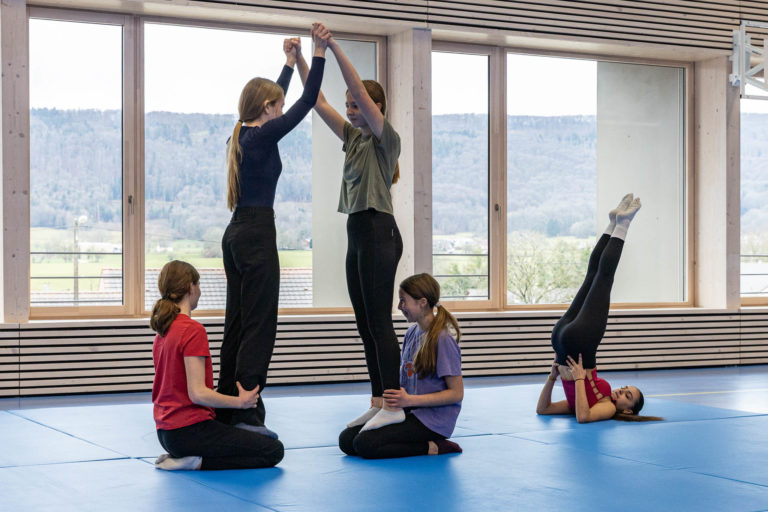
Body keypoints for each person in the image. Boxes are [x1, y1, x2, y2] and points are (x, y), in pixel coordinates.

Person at [217, 26, 329, 436]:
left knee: (238, 322)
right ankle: (247, 409)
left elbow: (279, 98)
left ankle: (227, 404)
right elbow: (308, 101)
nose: (281, 110)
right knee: (260, 325)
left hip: (236, 233)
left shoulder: (244, 134)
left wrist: (288, 64)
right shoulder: (263, 136)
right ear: (267, 108)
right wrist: (318, 52)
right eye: (276, 105)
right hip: (257, 234)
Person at [296, 24, 404, 431]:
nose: (351, 110)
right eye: (350, 106)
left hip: (379, 231)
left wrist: (333, 46)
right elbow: (317, 101)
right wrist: (302, 57)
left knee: (380, 322)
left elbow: (358, 89)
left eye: (357, 106)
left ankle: (394, 403)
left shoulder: (385, 140)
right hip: (357, 233)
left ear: (376, 108)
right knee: (364, 325)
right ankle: (378, 401)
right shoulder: (353, 139)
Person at [536, 194, 661, 423]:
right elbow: (550, 409)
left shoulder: (608, 408)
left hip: (578, 342)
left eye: (627, 396)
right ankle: (613, 223)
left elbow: (579, 416)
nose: (620, 392)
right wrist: (564, 377)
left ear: (628, 411)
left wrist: (558, 378)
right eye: (625, 389)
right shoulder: (595, 396)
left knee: (604, 278)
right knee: (593, 276)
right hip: (563, 340)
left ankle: (622, 224)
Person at [150, 260, 284, 470]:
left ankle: (186, 456)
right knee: (273, 450)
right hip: (189, 432)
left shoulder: (162, 333)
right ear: (191, 287)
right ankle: (195, 461)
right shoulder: (192, 330)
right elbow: (197, 394)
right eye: (199, 285)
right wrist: (240, 402)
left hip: (166, 434)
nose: (200, 292)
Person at [338, 273, 464, 458]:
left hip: (432, 421)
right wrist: (386, 401)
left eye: (403, 301)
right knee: (347, 440)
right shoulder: (411, 333)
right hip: (409, 411)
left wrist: (410, 400)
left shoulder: (443, 340)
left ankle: (433, 447)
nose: (399, 306)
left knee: (365, 444)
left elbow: (456, 393)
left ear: (422, 302)